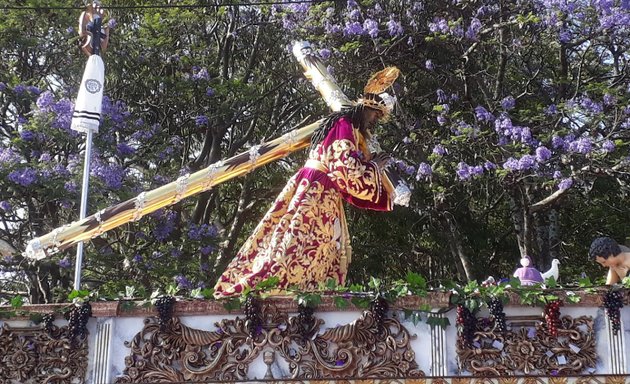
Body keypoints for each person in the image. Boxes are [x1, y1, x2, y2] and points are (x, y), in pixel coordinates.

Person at [213, 68, 400, 297]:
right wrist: (374, 167)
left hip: (319, 187)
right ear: (368, 108)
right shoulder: (343, 124)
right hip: (318, 188)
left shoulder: (349, 128)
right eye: (374, 116)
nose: (373, 122)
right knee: (296, 240)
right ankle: (274, 284)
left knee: (317, 243)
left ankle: (304, 289)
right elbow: (343, 165)